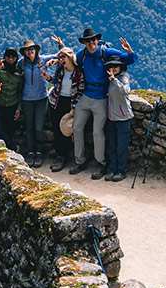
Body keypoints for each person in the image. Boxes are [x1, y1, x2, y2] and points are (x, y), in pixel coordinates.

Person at [53, 28, 136, 179]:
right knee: (77, 128)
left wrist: (130, 52)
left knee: (98, 132)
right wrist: (57, 60)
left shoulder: (106, 52)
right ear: (84, 42)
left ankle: (101, 163)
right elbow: (70, 62)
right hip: (85, 95)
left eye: (93, 40)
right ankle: (80, 161)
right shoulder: (82, 54)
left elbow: (129, 61)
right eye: (88, 40)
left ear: (97, 40)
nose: (91, 42)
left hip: (102, 97)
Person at [18, 39, 57, 167]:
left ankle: (39, 152)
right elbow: (10, 68)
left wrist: (60, 44)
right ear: (24, 52)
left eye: (32, 49)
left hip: (41, 99)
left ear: (36, 50)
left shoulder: (44, 60)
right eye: (27, 50)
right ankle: (30, 152)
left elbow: (62, 56)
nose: (30, 52)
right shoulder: (21, 63)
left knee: (38, 127)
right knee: (29, 127)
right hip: (27, 99)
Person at [46, 46, 85, 172]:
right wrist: (47, 77)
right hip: (57, 101)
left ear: (70, 57)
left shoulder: (79, 72)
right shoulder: (60, 69)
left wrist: (74, 107)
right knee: (58, 129)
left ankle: (67, 156)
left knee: (68, 130)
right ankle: (60, 156)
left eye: (63, 57)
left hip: (70, 102)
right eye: (59, 58)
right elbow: (56, 82)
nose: (61, 60)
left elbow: (80, 91)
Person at [104, 56, 133, 181]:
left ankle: (121, 170)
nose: (113, 68)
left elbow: (126, 91)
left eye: (115, 66)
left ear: (121, 67)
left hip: (123, 118)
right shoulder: (110, 79)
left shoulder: (123, 78)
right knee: (112, 145)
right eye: (111, 66)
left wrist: (114, 80)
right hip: (112, 117)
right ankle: (113, 169)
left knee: (121, 146)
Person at [0, 47, 23, 149]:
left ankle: (8, 152)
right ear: (5, 57)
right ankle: (12, 148)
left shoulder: (19, 71)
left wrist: (19, 108)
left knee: (10, 131)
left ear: (16, 58)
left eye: (13, 56)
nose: (11, 58)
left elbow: (20, 91)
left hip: (12, 106)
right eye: (8, 56)